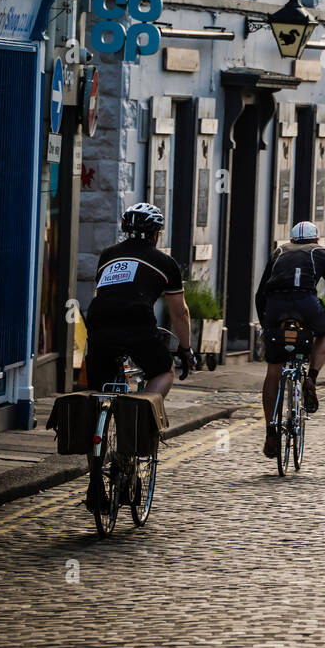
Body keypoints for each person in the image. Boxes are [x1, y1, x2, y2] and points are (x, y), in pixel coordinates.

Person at [84, 203, 193, 508]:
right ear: (156, 234)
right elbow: (179, 313)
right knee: (162, 370)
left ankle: (95, 485)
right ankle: (142, 416)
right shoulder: (165, 263)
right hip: (136, 325)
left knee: (97, 400)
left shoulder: (107, 255)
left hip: (99, 323)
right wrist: (185, 350)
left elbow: (102, 295)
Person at [254, 220, 325, 459]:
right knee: (324, 331)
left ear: (292, 239)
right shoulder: (322, 253)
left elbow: (260, 293)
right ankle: (312, 378)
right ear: (316, 240)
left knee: (273, 370)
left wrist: (266, 325)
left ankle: (270, 431)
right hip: (306, 303)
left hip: (275, 306)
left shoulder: (279, 251)